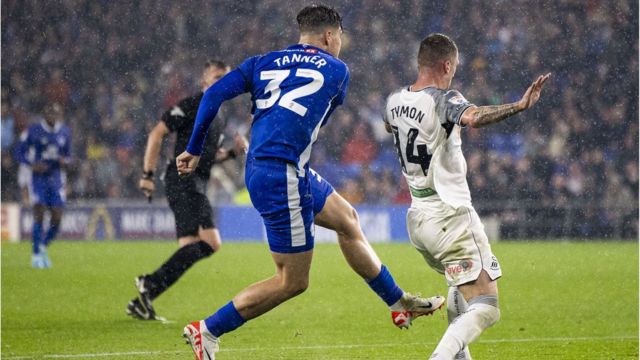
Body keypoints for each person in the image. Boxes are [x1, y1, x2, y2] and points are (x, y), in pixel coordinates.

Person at [176, 5, 445, 359]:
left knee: (347, 219)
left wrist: (194, 148)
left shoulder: (262, 61)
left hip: (274, 166)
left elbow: (212, 95)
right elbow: (317, 119)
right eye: (340, 39)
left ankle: (398, 303)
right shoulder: (337, 70)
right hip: (281, 173)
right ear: (330, 36)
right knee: (292, 281)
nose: (340, 46)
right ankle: (208, 329)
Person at [383, 33, 550, 359]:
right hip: (450, 217)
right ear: (447, 65)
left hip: (418, 218)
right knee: (487, 307)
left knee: (460, 293)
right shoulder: (443, 99)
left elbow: (394, 128)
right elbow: (473, 117)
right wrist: (519, 105)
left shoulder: (393, 102)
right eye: (454, 67)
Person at [126, 60, 248, 321]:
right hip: (184, 180)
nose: (222, 82)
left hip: (196, 181)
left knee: (189, 248)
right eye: (216, 77)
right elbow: (156, 134)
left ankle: (144, 300)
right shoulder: (193, 104)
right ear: (204, 82)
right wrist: (146, 175)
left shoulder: (221, 114)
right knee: (212, 243)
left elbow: (208, 155)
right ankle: (149, 281)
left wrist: (233, 153)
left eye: (226, 78)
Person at [17, 102, 72, 268]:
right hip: (38, 177)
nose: (53, 116)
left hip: (56, 177)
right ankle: (35, 255)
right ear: (44, 114)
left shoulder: (65, 132)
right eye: (50, 113)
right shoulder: (34, 131)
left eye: (56, 113)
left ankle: (42, 246)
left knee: (57, 216)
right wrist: (31, 164)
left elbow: (69, 155)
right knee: (39, 211)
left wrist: (65, 161)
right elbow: (19, 151)